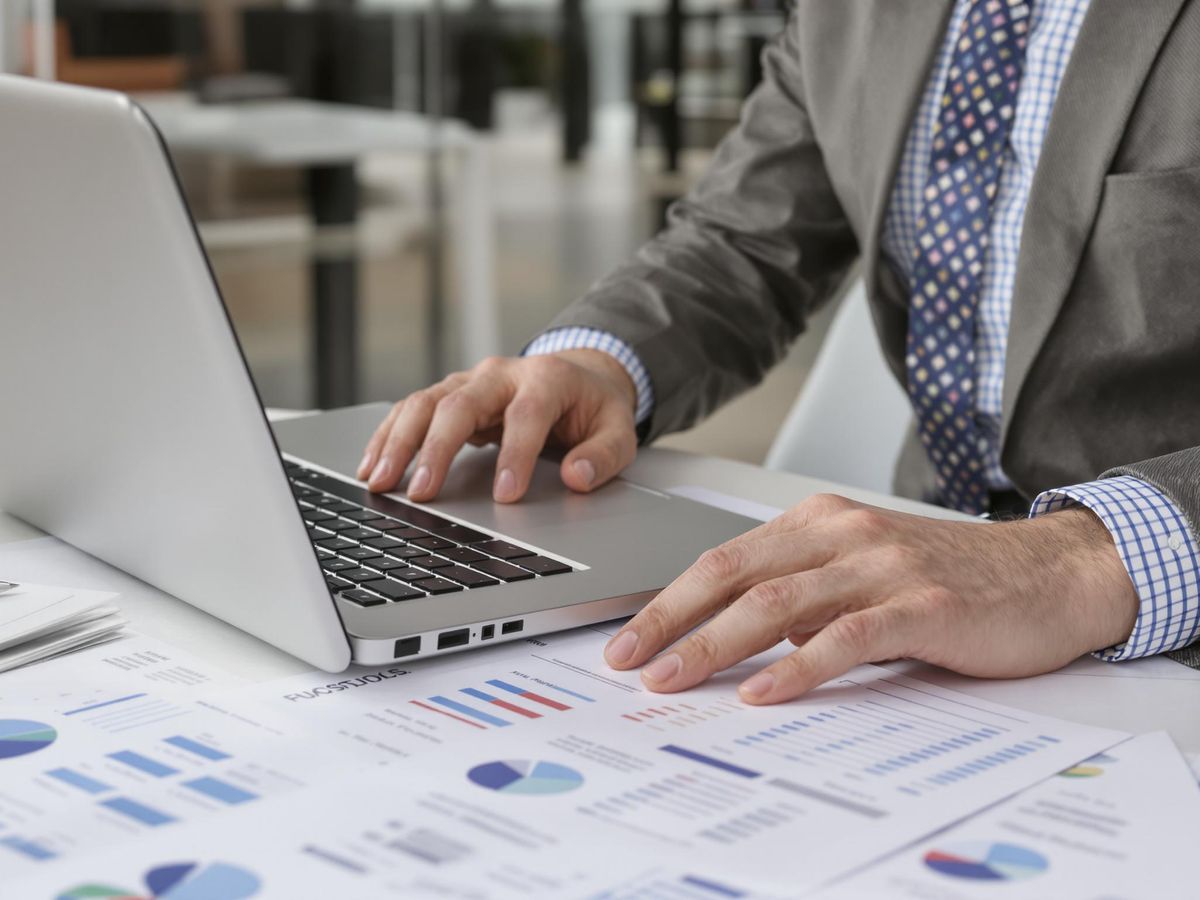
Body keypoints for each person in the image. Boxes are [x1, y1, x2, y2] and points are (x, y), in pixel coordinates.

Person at [357, 0, 1200, 704]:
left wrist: (1089, 556)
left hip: (1164, 616)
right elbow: (742, 241)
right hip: (920, 590)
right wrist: (598, 362)